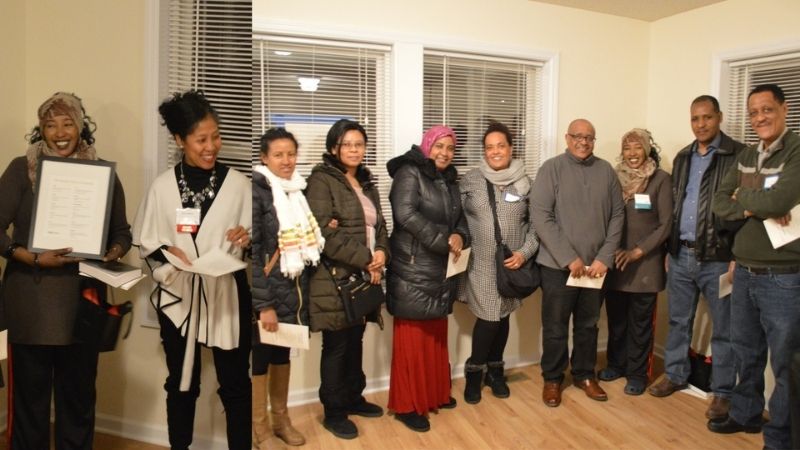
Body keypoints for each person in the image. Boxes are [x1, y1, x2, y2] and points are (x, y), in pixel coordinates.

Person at [0, 92, 132, 449]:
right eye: (49, 123)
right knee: (31, 405)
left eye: (67, 122)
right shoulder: (20, 169)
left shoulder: (103, 173)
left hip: (82, 307)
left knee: (77, 402)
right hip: (30, 305)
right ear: (40, 129)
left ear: (81, 127)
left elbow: (122, 232)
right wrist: (30, 257)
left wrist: (113, 251)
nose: (59, 131)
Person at [132, 90, 252, 450]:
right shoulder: (162, 188)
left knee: (235, 385)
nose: (211, 146)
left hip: (228, 294)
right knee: (182, 384)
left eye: (216, 136)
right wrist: (164, 254)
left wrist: (248, 239)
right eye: (201, 139)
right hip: (179, 295)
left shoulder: (239, 185)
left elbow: (261, 245)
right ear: (179, 140)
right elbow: (147, 244)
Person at [710, 84, 800, 450]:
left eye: (767, 109)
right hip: (744, 270)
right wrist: (757, 204)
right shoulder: (747, 154)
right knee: (745, 350)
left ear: (784, 109)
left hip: (784, 276)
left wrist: (745, 198)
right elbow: (719, 201)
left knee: (785, 362)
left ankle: (780, 437)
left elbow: (782, 197)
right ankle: (745, 414)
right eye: (753, 112)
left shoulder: (796, 150)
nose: (760, 117)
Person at [648, 95, 745, 422]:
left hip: (719, 257)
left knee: (724, 328)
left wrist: (737, 254)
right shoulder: (683, 157)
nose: (701, 124)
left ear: (718, 117)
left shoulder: (738, 155)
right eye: (695, 119)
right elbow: (674, 208)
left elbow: (746, 211)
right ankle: (675, 374)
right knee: (678, 320)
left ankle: (722, 392)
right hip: (681, 255)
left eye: (707, 117)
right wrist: (668, 248)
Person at [305, 119, 390, 440]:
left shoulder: (366, 181)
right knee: (337, 346)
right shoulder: (321, 181)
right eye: (348, 144)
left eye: (359, 144)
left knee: (355, 341)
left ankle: (353, 397)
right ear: (333, 148)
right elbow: (324, 233)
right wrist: (368, 258)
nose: (355, 150)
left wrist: (381, 253)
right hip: (333, 279)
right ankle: (334, 411)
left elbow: (380, 226)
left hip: (365, 276)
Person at [531, 118, 624, 407]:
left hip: (595, 268)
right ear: (567, 138)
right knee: (556, 326)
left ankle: (585, 374)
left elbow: (617, 217)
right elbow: (541, 217)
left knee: (588, 325)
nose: (584, 142)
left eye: (590, 138)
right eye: (578, 136)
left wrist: (604, 258)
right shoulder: (551, 169)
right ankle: (553, 379)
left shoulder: (606, 171)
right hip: (558, 267)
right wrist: (569, 258)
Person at [385, 125, 468, 432]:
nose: (444, 153)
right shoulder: (409, 171)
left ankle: (433, 394)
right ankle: (407, 404)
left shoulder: (448, 180)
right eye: (439, 146)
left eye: (450, 148)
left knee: (435, 336)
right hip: (412, 270)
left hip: (439, 271)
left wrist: (459, 235)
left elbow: (460, 219)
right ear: (426, 146)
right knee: (412, 340)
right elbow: (404, 213)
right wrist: (443, 240)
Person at [252, 128, 325, 448]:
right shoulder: (257, 191)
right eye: (278, 155)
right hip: (267, 294)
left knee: (282, 355)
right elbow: (253, 253)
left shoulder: (297, 190)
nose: (286, 161)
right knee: (260, 358)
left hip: (292, 291)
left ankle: (281, 420)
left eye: (291, 154)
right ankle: (259, 428)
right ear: (264, 158)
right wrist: (263, 303)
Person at [459, 121, 539, 405]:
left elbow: (536, 225)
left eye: (500, 146)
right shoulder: (470, 180)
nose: (495, 152)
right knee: (490, 318)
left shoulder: (526, 182)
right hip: (480, 264)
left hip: (511, 264)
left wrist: (525, 252)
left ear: (510, 148)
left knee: (503, 315)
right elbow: (454, 216)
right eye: (489, 147)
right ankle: (474, 372)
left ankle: (495, 371)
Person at [599, 129, 672, 396]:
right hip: (616, 263)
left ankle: (638, 373)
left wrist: (637, 252)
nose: (632, 154)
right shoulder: (614, 179)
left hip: (645, 266)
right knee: (617, 321)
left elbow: (665, 225)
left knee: (640, 324)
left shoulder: (660, 180)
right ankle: (616, 364)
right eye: (627, 148)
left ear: (647, 150)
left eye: (637, 147)